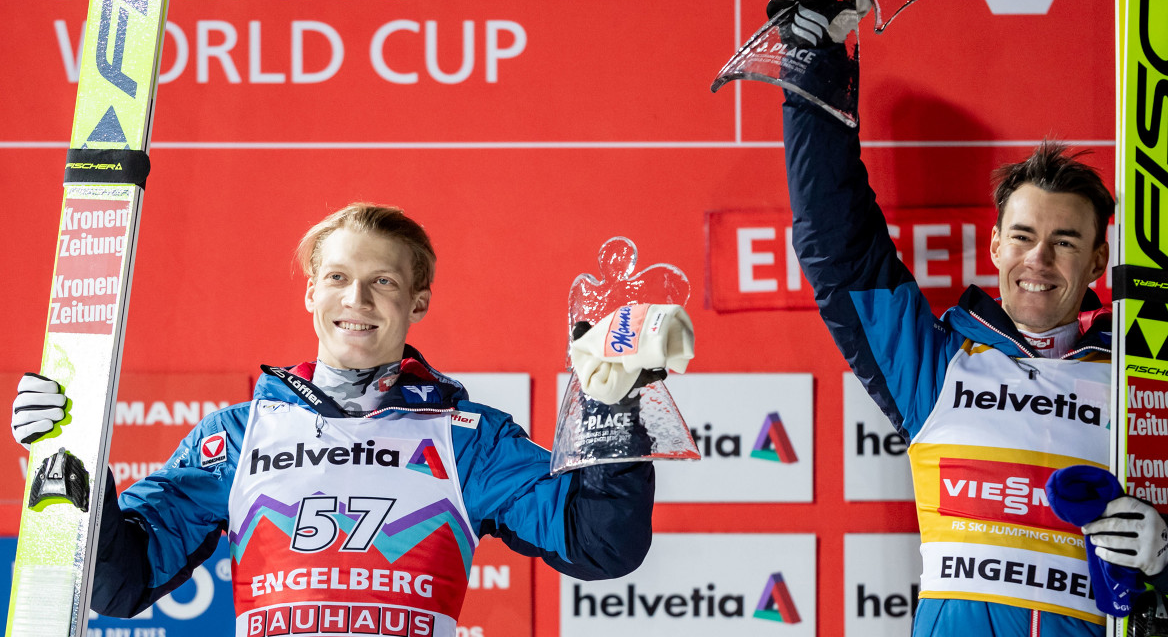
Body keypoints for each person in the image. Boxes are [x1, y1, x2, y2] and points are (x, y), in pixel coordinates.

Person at [769, 0, 1168, 636]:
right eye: (1023, 237)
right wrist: (812, 75)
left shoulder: (1151, 391)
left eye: (1065, 242)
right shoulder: (936, 366)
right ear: (995, 246)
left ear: (1097, 261)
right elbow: (841, 251)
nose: (1039, 259)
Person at [12, 203, 688, 637]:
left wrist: (611, 408)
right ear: (311, 291)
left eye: (383, 281)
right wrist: (71, 466)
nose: (356, 298)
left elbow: (601, 544)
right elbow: (120, 583)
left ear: (418, 301)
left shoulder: (468, 438)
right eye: (336, 278)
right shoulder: (237, 436)